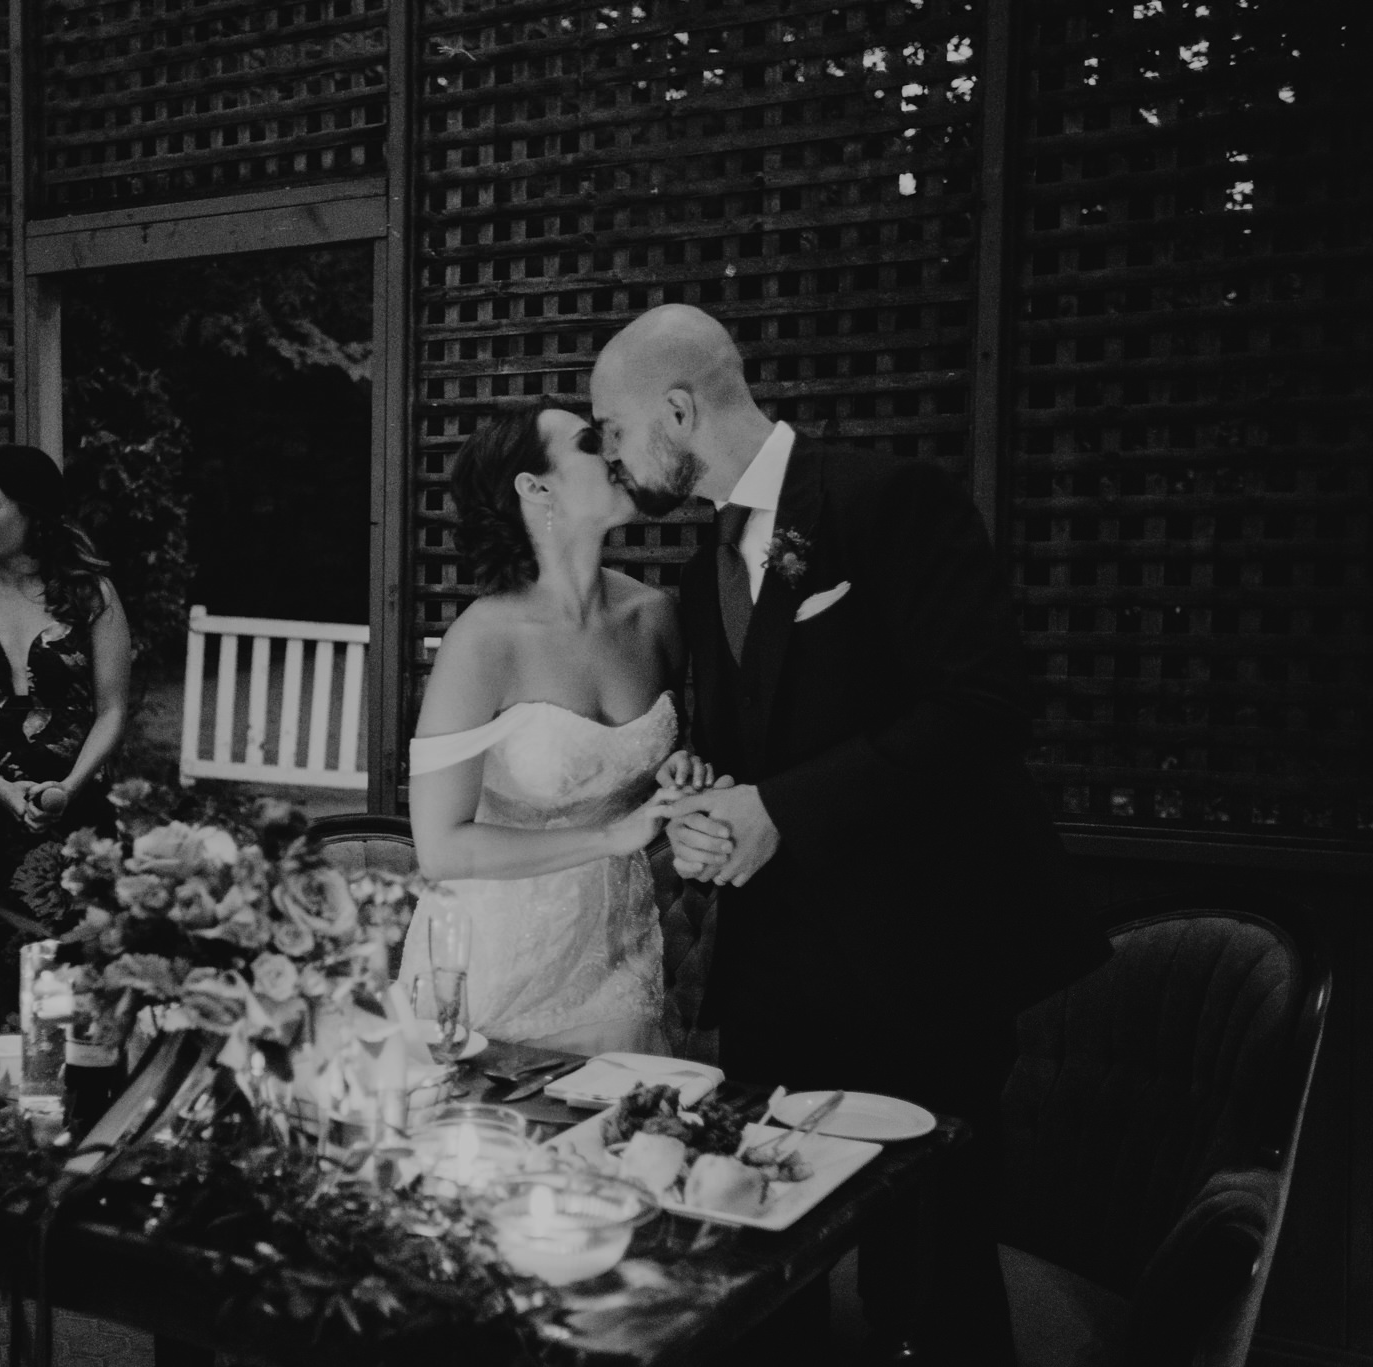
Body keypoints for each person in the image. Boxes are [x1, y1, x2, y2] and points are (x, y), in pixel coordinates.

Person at [589, 304, 1110, 1361]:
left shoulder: (887, 502)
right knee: (765, 1271)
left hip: (921, 964)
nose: (609, 451)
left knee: (930, 1279)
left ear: (679, 406)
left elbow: (982, 707)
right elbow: (762, 750)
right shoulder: (702, 568)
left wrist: (776, 809)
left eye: (612, 425)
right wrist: (710, 792)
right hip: (781, 976)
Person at [401, 403, 734, 1057]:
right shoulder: (483, 640)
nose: (615, 450)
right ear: (535, 486)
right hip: (488, 970)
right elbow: (441, 847)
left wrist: (680, 772)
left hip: (618, 964)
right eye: (589, 442)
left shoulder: (657, 618)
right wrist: (612, 834)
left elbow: (660, 759)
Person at [0, 445, 131, 996]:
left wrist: (69, 786)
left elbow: (112, 708)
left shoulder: (94, 595)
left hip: (77, 810)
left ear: (32, 511)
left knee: (77, 981)